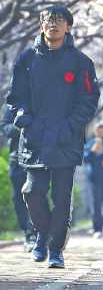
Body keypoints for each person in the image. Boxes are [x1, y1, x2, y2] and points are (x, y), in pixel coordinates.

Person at [6, 4, 99, 268]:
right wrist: (24, 117)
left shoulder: (81, 62)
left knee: (61, 198)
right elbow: (15, 97)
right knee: (31, 192)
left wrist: (72, 125)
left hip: (66, 138)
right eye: (48, 20)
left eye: (59, 21)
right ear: (41, 25)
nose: (53, 25)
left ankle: (55, 249)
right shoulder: (26, 59)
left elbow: (89, 98)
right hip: (34, 136)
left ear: (68, 26)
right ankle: (42, 234)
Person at [0, 105, 36, 250]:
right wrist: (21, 127)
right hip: (16, 158)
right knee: (18, 197)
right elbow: (4, 126)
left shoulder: (38, 98)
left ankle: (34, 232)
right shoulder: (12, 105)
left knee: (36, 193)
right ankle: (28, 232)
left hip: (37, 156)